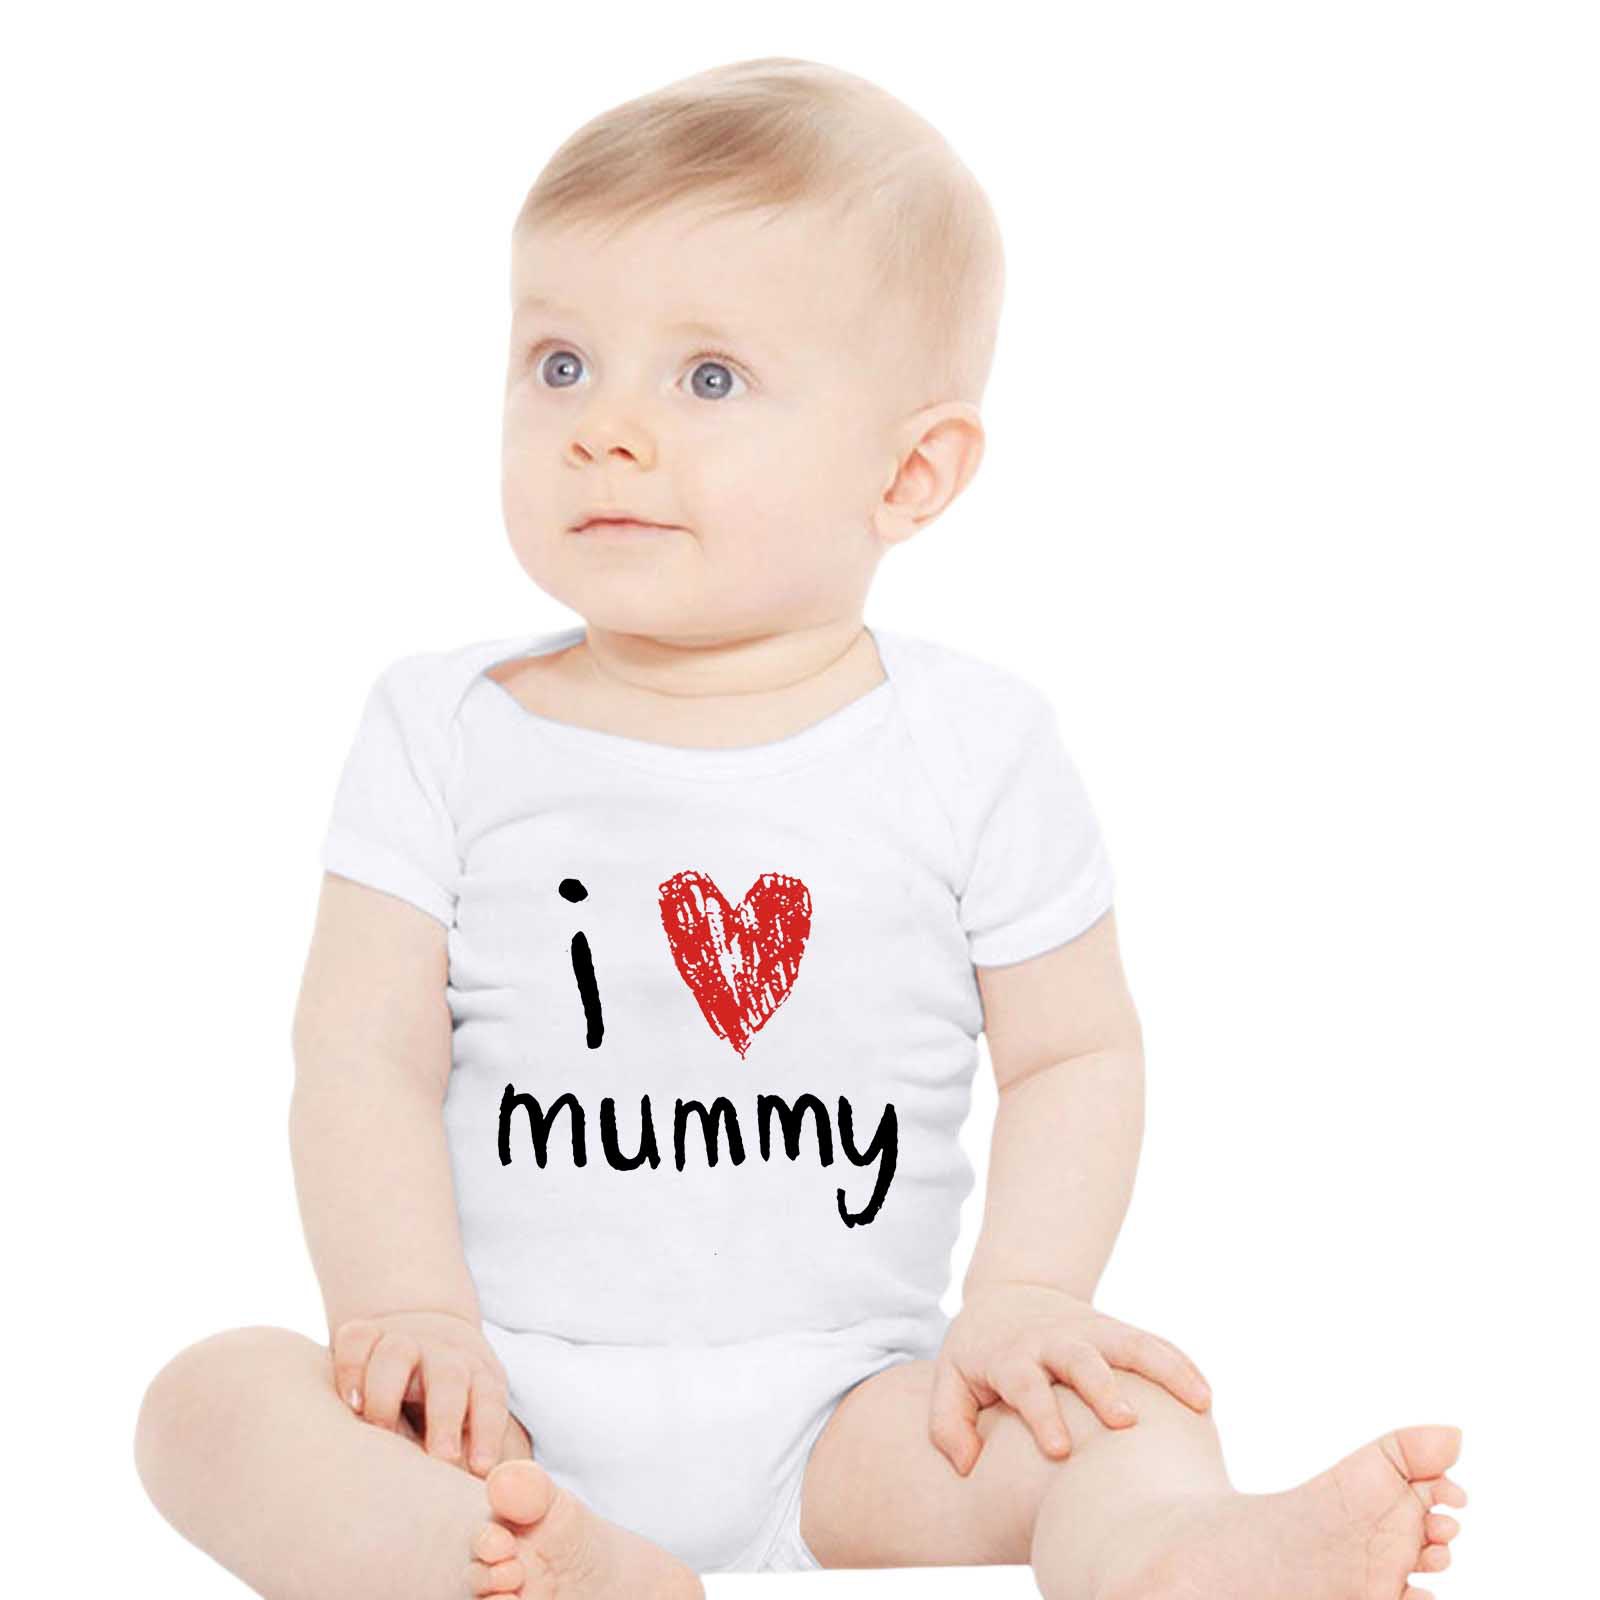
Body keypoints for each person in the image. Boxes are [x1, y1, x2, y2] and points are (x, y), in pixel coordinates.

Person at [133, 55, 1467, 1599]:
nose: (605, 428)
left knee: (1131, 1409)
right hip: (496, 1402)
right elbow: (363, 1053)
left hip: (850, 1416)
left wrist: (1026, 1296)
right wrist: (407, 1311)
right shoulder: (441, 730)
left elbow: (1074, 1053)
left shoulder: (973, 746)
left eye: (706, 379)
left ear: (910, 473)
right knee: (207, 1403)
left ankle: (1178, 1556)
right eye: (560, 363)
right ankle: (510, 1560)